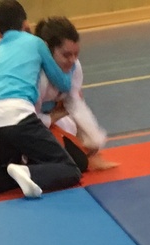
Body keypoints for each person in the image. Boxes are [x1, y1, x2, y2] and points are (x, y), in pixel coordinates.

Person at [0, 1, 81, 205]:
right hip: (18, 114)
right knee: (69, 169)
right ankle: (27, 172)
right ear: (25, 22)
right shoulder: (35, 42)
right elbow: (60, 80)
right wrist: (72, 75)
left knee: (11, 170)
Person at [34, 17, 117, 175]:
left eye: (76, 54)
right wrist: (54, 116)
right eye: (66, 55)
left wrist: (94, 143)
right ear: (48, 52)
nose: (72, 60)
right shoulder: (38, 76)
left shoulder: (74, 67)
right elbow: (26, 121)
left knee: (78, 150)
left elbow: (76, 105)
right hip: (29, 125)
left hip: (52, 119)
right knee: (74, 164)